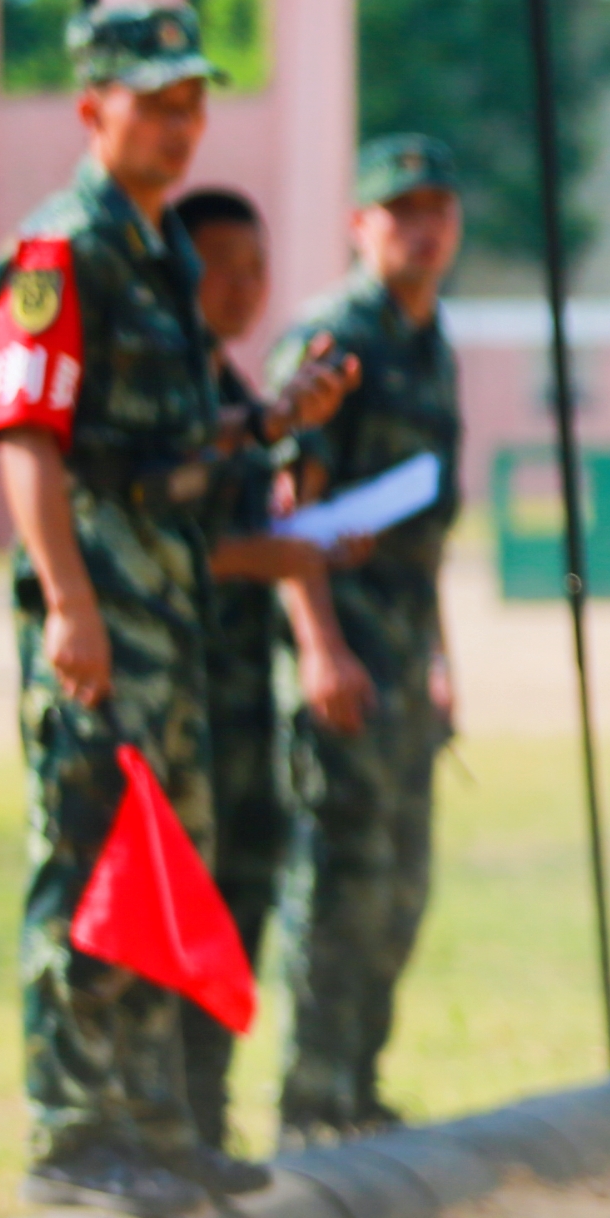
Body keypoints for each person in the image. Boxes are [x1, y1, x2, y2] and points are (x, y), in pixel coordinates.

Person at [0, 7, 351, 1218]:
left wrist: (274, 419)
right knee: (90, 850)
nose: (182, 125)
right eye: (157, 102)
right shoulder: (60, 253)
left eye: (194, 101)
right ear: (93, 110)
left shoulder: (159, 255)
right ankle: (73, 1127)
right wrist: (68, 601)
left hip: (168, 603)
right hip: (101, 594)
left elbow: (186, 438)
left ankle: (154, 1121)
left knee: (162, 856)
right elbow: (30, 440)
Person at [264, 137, 467, 1146]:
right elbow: (285, 506)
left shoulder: (432, 341)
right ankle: (312, 1099)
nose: (422, 228)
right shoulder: (332, 338)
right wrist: (317, 647)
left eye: (436, 208)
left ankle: (360, 1086)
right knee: (339, 876)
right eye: (400, 210)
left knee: (399, 882)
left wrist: (439, 660)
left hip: (399, 649)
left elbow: (425, 527)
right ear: (361, 224)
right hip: (340, 648)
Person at [174, 187, 369, 1164]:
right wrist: (293, 556)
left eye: (256, 267)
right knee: (181, 911)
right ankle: (165, 1121)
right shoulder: (172, 405)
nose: (245, 287)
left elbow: (257, 536)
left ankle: (204, 1120)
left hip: (243, 699)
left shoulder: (238, 398)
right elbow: (173, 545)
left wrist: (312, 539)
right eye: (220, 265)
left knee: (240, 902)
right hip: (179, 703)